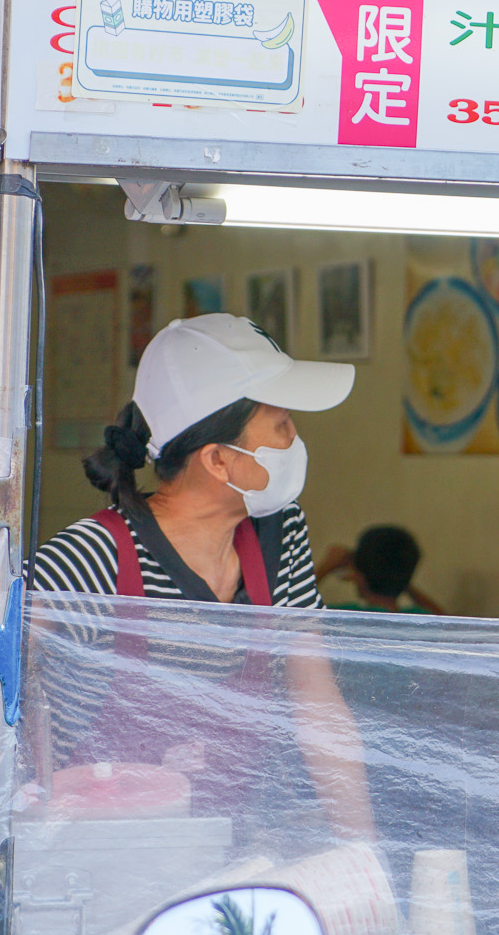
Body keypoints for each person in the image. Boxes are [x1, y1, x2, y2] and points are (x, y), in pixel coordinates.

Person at [28, 312, 374, 840]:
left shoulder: (278, 538)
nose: (295, 436)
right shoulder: (92, 559)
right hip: (91, 869)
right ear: (216, 460)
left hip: (221, 861)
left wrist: (364, 858)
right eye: (280, 424)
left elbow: (320, 716)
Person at [316, 525, 446, 614]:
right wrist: (398, 577)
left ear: (359, 575)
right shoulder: (417, 618)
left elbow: (297, 612)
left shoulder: (345, 617)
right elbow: (451, 624)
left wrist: (326, 567)